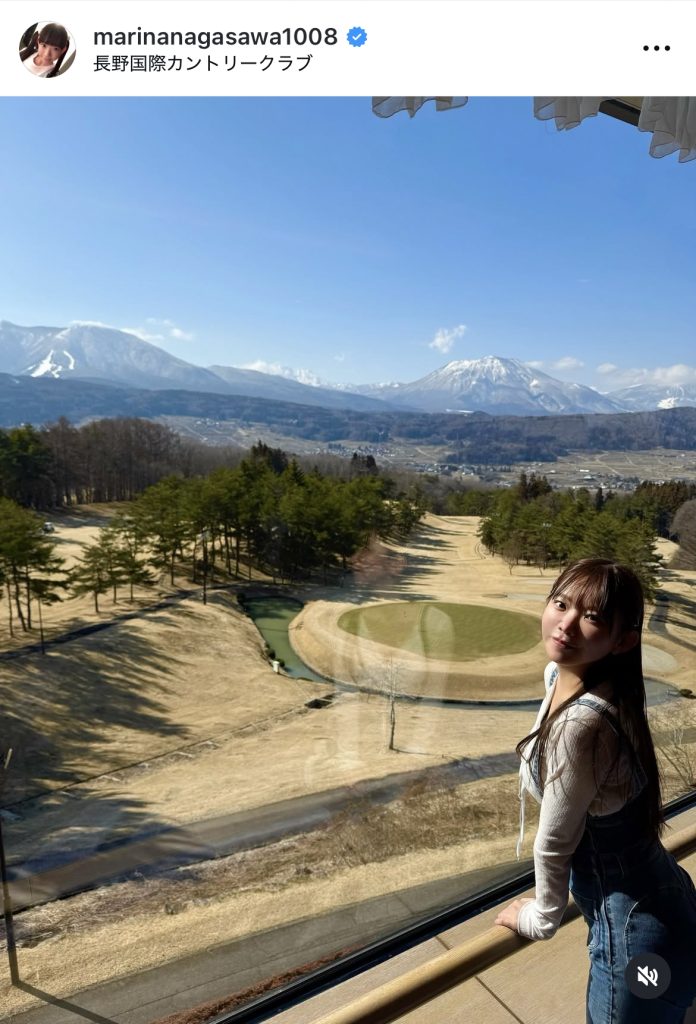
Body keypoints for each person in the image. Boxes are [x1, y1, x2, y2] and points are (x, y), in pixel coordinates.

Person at [494, 558, 696, 1023]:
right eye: (560, 603)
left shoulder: (581, 725)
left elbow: (554, 841)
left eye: (592, 617)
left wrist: (540, 917)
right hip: (664, 906)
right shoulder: (577, 681)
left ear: (623, 640)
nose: (566, 624)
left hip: (639, 945)